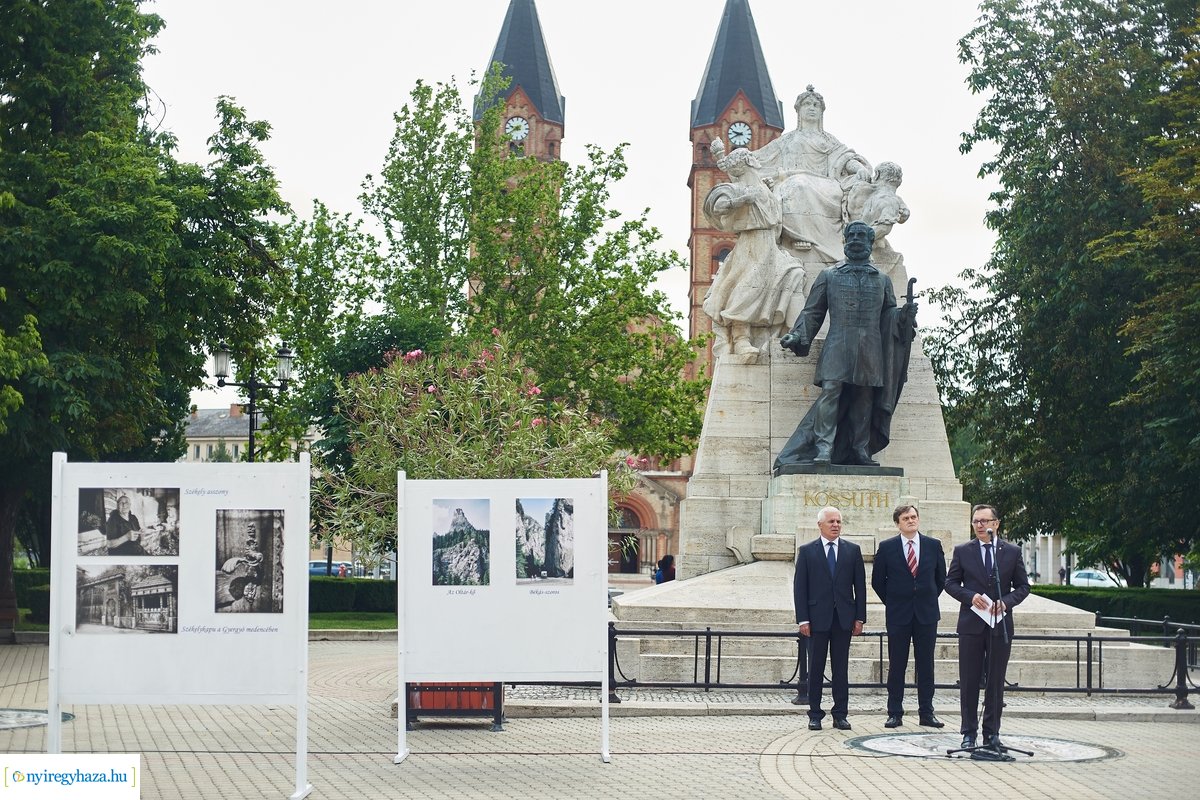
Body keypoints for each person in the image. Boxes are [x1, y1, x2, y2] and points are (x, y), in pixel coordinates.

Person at [776, 221, 917, 468]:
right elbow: (812, 312)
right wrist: (797, 335)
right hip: (838, 345)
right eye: (851, 235)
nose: (855, 239)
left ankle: (860, 449)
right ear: (845, 241)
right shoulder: (829, 276)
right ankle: (823, 448)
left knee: (864, 398)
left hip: (870, 349)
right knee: (830, 393)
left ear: (869, 242)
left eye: (861, 235)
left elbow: (889, 315)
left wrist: (903, 316)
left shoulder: (882, 280)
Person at [701, 145, 806, 355]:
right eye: (750, 157)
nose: (755, 159)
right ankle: (741, 339)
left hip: (770, 246)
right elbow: (717, 206)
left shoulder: (764, 188)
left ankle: (795, 334)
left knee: (795, 274)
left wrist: (798, 240)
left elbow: (776, 222)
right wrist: (739, 201)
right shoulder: (739, 188)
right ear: (748, 162)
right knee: (747, 289)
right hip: (751, 245)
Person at [944, 504, 1031, 750]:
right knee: (969, 681)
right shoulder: (963, 550)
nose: (980, 526)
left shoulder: (1011, 552)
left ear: (996, 524)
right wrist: (970, 596)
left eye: (984, 521)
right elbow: (950, 583)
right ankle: (968, 733)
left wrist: (1006, 602)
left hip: (999, 625)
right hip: (971, 624)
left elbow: (1023, 587)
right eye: (976, 522)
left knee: (995, 681)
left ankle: (992, 733)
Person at [753, 85, 873, 262]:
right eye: (807, 104)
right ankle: (799, 237)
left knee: (800, 186)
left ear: (822, 111)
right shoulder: (788, 139)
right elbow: (759, 158)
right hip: (793, 180)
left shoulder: (828, 139)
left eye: (816, 105)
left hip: (825, 184)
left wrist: (859, 169)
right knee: (796, 187)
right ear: (799, 110)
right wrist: (732, 159)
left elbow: (845, 157)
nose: (811, 108)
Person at [872, 504, 947, 728]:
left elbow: (941, 578)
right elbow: (878, 582)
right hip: (898, 615)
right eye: (906, 518)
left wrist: (925, 597)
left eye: (914, 517)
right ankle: (895, 712)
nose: (911, 520)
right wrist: (895, 601)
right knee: (897, 665)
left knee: (926, 665)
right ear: (898, 523)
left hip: (926, 614)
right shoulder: (887, 547)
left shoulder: (933, 546)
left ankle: (927, 712)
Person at [794, 506, 866, 730]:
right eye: (831, 521)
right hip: (816, 620)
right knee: (815, 669)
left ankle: (840, 714)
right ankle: (815, 714)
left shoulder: (852, 550)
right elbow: (800, 588)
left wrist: (860, 618)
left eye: (838, 521)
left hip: (843, 619)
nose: (836, 525)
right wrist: (803, 619)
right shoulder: (807, 551)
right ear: (820, 525)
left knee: (840, 669)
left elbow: (860, 587)